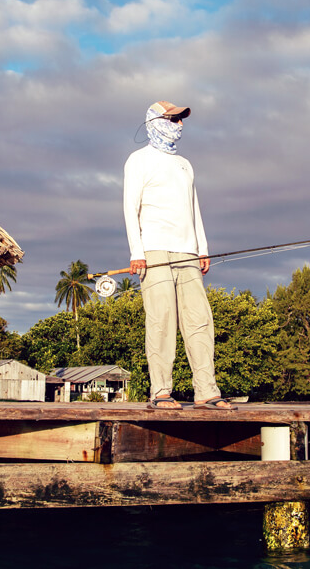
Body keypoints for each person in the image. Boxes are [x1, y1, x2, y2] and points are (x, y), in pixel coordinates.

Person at [123, 100, 234, 410]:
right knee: (161, 320)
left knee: (199, 319)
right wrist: (138, 252)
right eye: (174, 119)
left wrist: (202, 248)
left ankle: (206, 392)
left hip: (188, 251)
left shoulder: (185, 164)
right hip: (153, 250)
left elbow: (193, 206)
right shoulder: (138, 160)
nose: (180, 125)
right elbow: (130, 208)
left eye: (182, 119)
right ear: (155, 121)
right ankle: (161, 391)